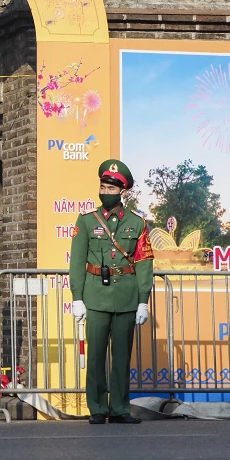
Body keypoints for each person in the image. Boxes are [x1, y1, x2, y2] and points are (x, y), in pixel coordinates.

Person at [69, 159, 154, 425]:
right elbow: (77, 261)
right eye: (103, 186)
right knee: (95, 357)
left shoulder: (138, 223)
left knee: (121, 358)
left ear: (123, 191)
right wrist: (77, 298)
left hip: (127, 297)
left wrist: (143, 301)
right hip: (95, 297)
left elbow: (143, 264)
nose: (105, 191)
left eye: (111, 187)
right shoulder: (85, 221)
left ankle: (119, 408)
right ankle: (96, 408)